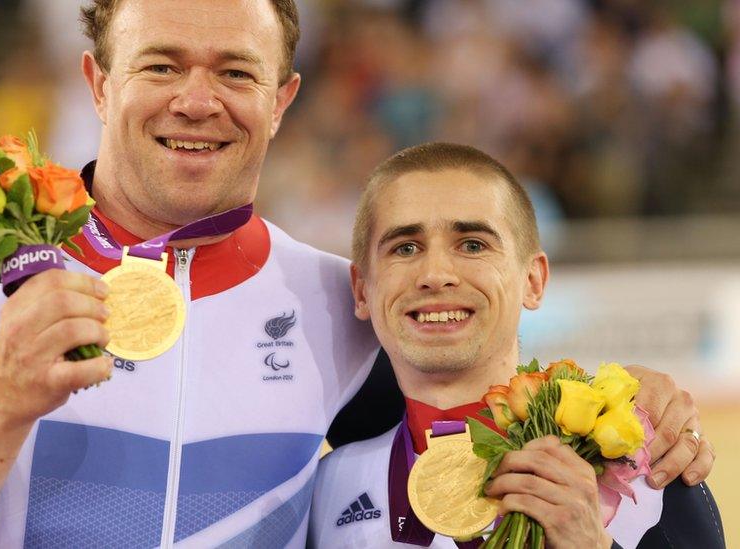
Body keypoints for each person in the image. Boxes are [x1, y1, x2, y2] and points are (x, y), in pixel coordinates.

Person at [0, 2, 712, 547]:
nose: (197, 100)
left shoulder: (337, 303)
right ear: (98, 83)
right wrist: (1, 402)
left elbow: (478, 384)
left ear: (282, 99)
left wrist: (637, 399)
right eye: (162, 64)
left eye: (235, 72)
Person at [308, 143, 723, 549]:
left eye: (472, 244)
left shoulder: (648, 473)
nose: (435, 274)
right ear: (362, 290)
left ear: (533, 279)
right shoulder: (324, 492)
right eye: (406, 248)